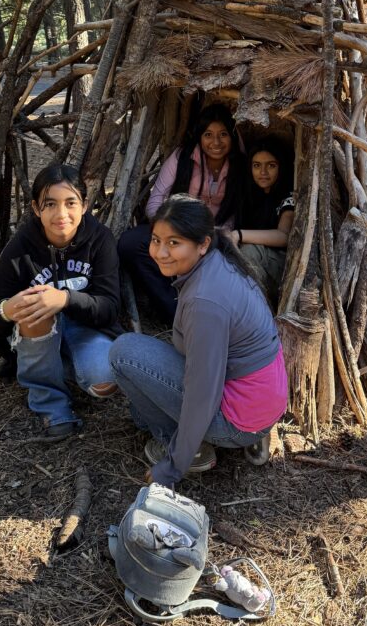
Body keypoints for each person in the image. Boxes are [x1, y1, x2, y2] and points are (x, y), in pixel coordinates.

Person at [109, 194, 288, 487]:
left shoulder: (205, 300)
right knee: (138, 403)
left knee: (124, 353)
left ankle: (191, 450)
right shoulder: (221, 260)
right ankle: (244, 432)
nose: (161, 252)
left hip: (238, 420)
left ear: (202, 243)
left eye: (174, 243)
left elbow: (202, 392)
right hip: (262, 402)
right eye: (156, 240)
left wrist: (173, 467)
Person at [0, 164, 122, 439]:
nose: (61, 214)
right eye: (50, 204)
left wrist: (65, 299)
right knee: (33, 308)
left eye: (70, 203)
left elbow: (109, 307)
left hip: (87, 327)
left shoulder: (100, 239)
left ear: (84, 206)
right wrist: (8, 309)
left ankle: (55, 369)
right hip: (38, 330)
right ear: (36, 209)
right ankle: (50, 403)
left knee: (105, 382)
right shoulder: (21, 247)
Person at [117, 103, 245, 322]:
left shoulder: (239, 166)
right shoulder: (182, 158)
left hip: (213, 238)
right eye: (208, 134)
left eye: (223, 134)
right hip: (175, 229)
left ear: (232, 136)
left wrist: (212, 235)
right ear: (199, 136)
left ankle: (209, 314)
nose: (216, 142)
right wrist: (178, 229)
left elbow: (236, 215)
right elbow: (154, 203)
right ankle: (174, 312)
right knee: (130, 243)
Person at [232, 135, 295, 304]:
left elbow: (283, 236)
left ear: (281, 167)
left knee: (249, 252)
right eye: (257, 165)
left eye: (271, 166)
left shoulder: (288, 197)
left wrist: (239, 234)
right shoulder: (249, 196)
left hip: (279, 268)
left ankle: (257, 310)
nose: (263, 172)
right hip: (254, 266)